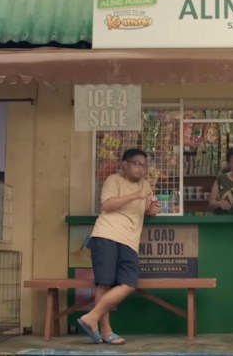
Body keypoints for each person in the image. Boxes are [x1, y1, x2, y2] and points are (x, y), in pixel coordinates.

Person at [77, 148, 160, 345]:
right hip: (107, 235)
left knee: (129, 283)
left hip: (130, 241)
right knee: (105, 283)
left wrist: (150, 209)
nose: (141, 169)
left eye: (144, 165)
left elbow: (142, 208)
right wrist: (135, 195)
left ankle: (91, 317)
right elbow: (107, 205)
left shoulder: (146, 185)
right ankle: (106, 331)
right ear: (125, 164)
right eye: (136, 164)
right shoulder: (113, 180)